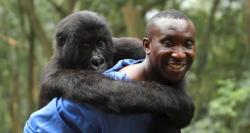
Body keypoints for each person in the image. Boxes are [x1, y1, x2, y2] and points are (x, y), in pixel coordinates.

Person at [24, 9, 196, 133]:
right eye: (85, 46)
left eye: (100, 45)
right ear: (62, 43)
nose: (97, 58)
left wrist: (177, 100)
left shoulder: (122, 48)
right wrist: (173, 99)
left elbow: (167, 69)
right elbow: (110, 95)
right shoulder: (57, 75)